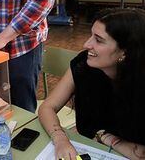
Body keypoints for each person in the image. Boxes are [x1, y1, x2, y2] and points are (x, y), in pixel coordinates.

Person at [39, 8, 145, 160]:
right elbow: (47, 107)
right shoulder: (84, 64)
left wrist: (107, 138)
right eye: (91, 35)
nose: (86, 44)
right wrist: (60, 139)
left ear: (125, 52)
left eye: (99, 40)